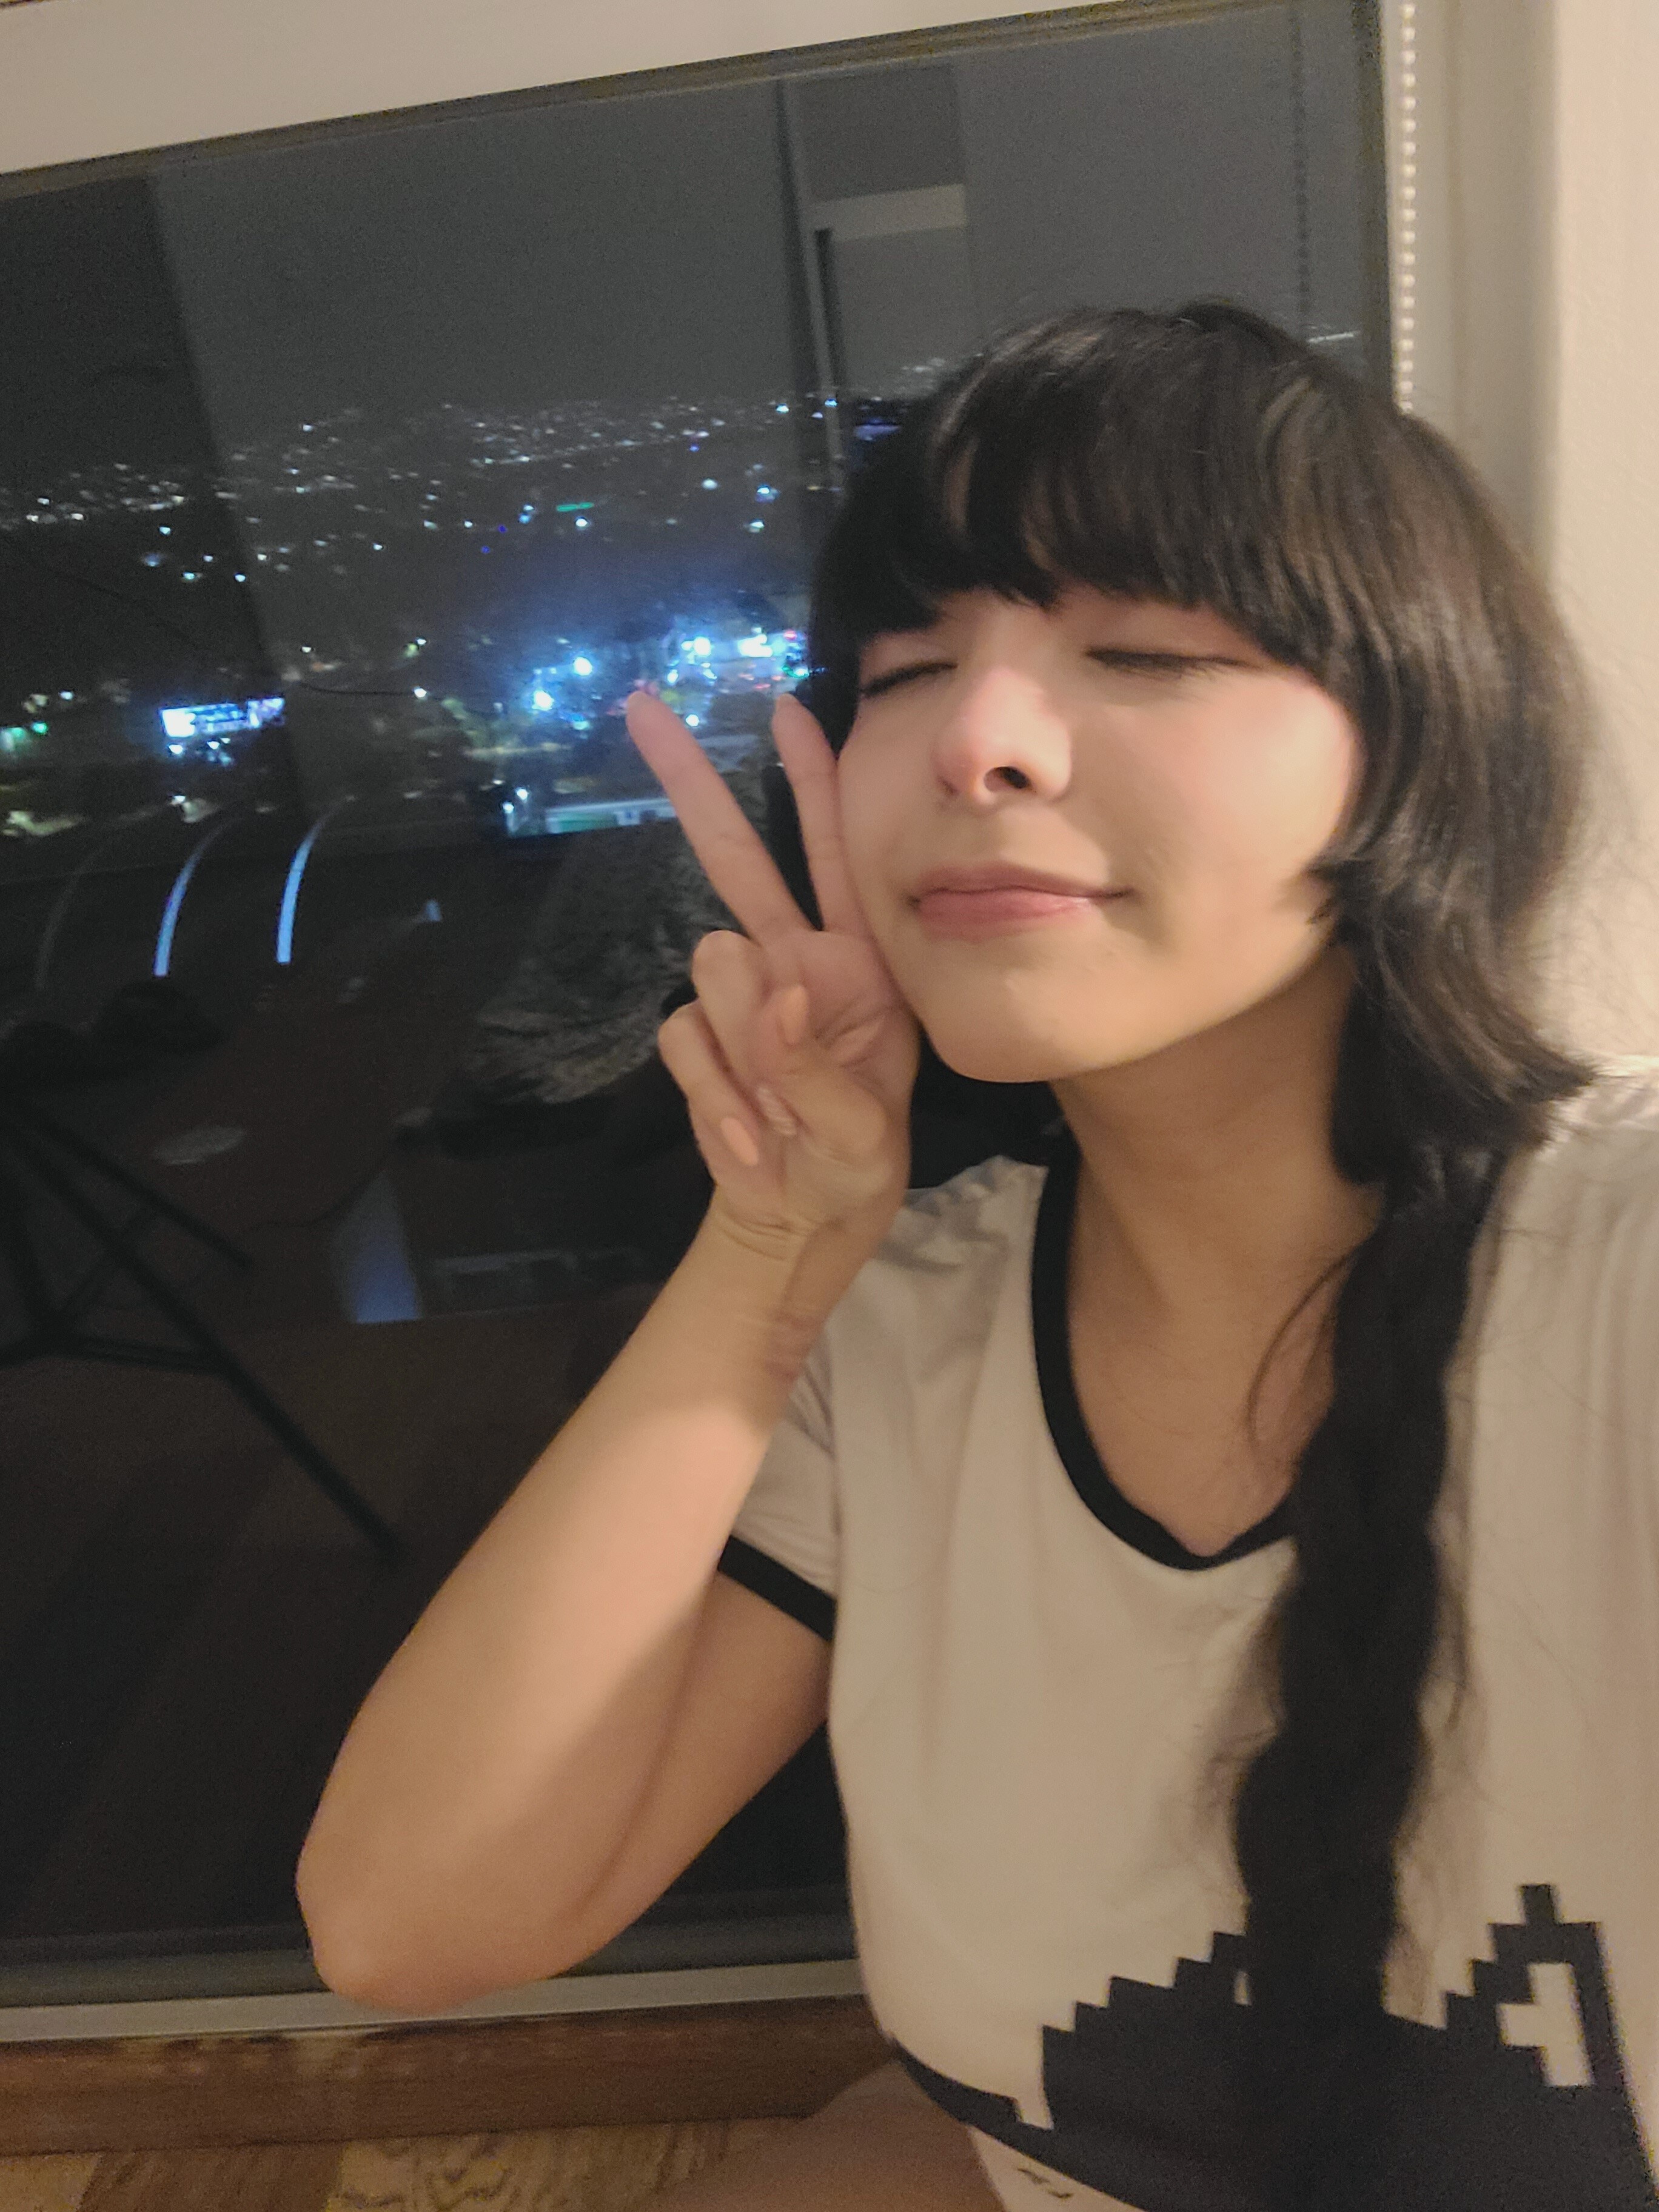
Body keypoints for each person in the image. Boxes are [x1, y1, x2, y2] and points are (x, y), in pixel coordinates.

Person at [297, 304, 1659, 2211]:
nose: (976, 741)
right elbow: (411, 1919)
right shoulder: (900, 1338)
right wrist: (770, 1256)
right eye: (910, 667)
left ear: (1413, 754)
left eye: (1147, 651)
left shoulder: (1614, 1258)